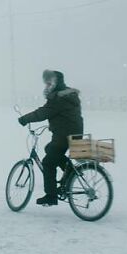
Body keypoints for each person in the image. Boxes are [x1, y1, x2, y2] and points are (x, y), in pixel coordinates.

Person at [17, 69, 83, 206]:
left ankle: (50, 196)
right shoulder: (68, 95)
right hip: (73, 133)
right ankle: (70, 172)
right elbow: (61, 115)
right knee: (50, 149)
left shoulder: (59, 98)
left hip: (64, 135)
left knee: (48, 162)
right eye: (46, 83)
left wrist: (24, 119)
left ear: (55, 83)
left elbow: (43, 113)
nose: (46, 86)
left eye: (49, 83)